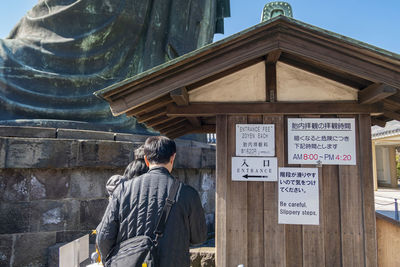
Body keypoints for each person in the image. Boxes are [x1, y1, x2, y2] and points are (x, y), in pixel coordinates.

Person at [96, 136, 207, 266]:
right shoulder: (188, 194)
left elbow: (103, 237)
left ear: (146, 160)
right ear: (173, 158)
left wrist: (112, 262)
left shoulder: (122, 190)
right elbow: (199, 237)